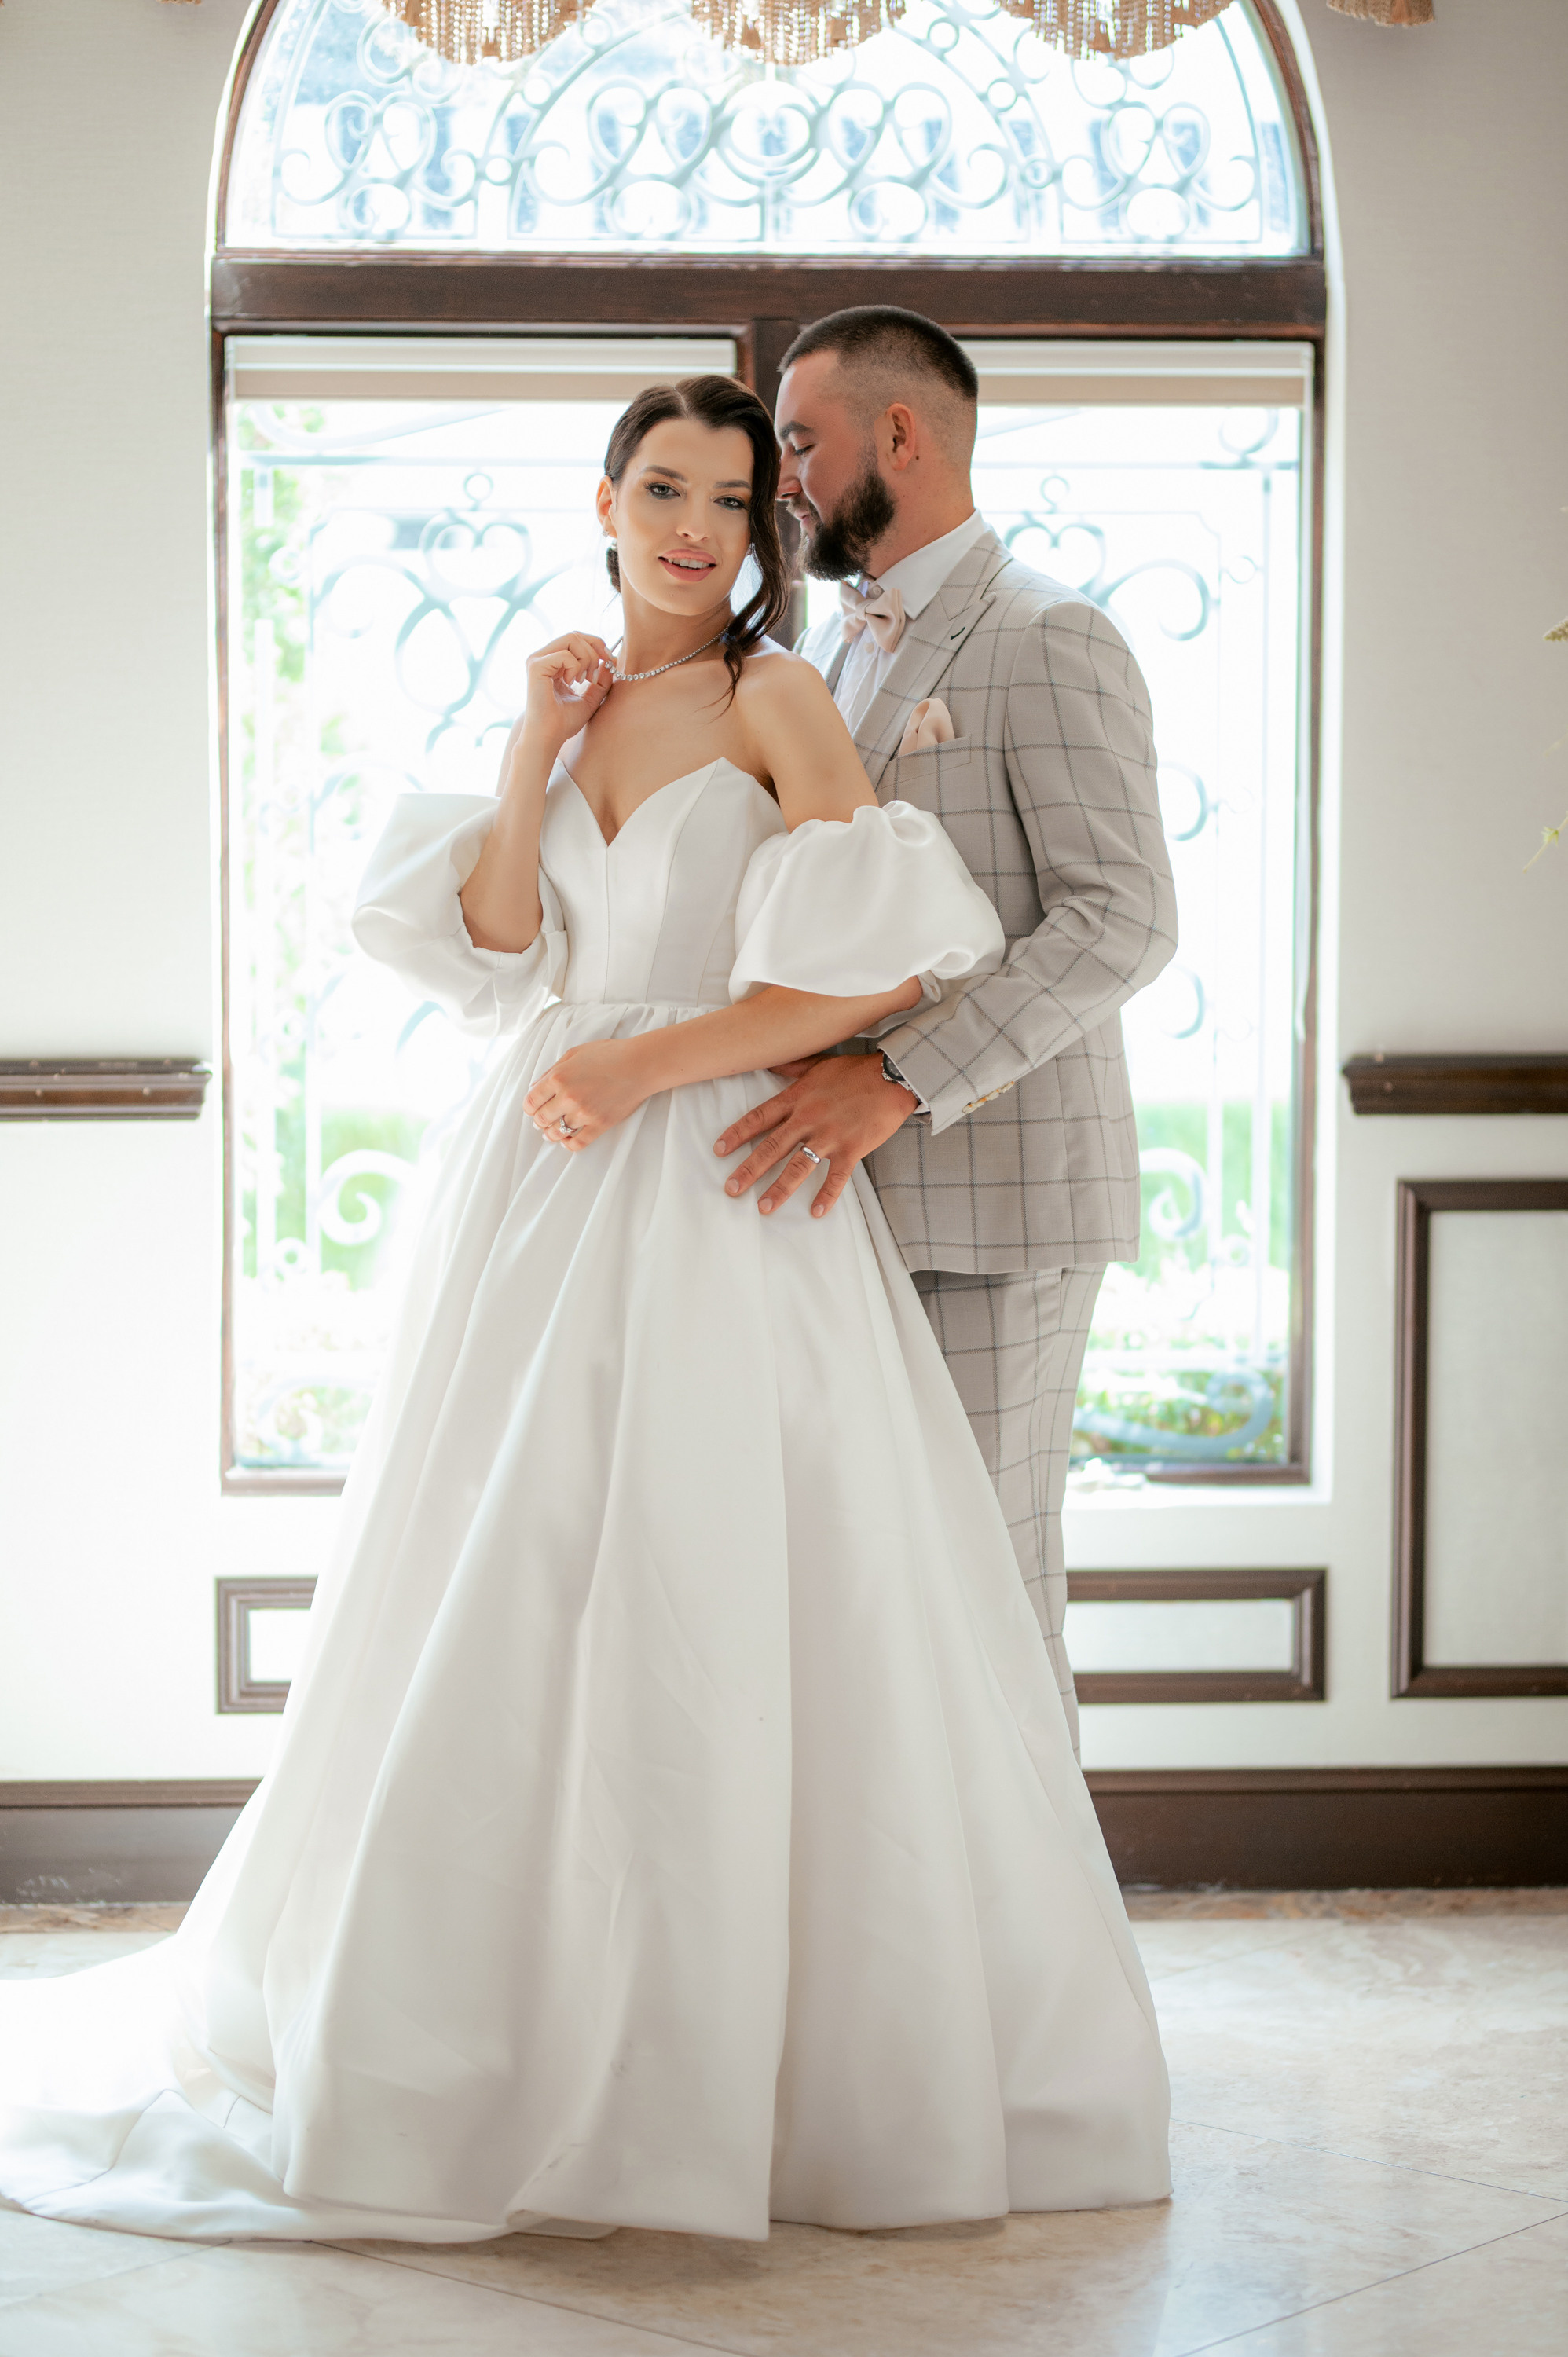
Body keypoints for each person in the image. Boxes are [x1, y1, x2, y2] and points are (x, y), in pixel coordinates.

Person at [0, 375, 1168, 2246]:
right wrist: (533, 747)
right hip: (533, 1174)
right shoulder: (571, 696)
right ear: (604, 500)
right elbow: (490, 953)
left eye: (731, 492)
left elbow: (865, 963)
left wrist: (645, 1073)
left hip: (713, 1169)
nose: (701, 524)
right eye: (666, 488)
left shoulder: (780, 697)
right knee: (500, 1561)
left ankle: (753, 2063)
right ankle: (482, 2026)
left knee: (714, 1580)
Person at [715, 307, 1178, 1759]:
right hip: (841, 1214)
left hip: (999, 1206)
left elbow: (1123, 922)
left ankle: (1040, 1983)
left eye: (799, 439)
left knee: (984, 1590)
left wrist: (898, 1083)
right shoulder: (829, 659)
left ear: (897, 436)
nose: (783, 477)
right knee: (873, 1599)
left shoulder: (1050, 634)